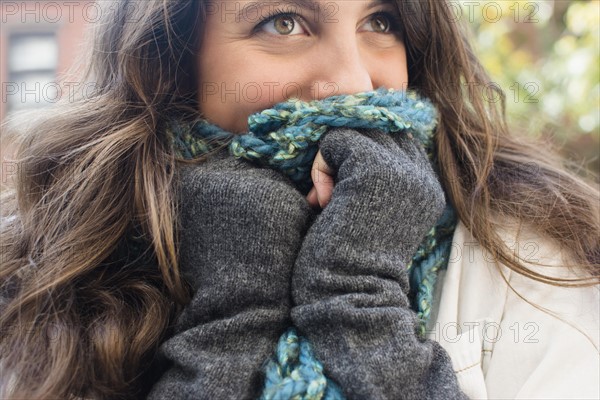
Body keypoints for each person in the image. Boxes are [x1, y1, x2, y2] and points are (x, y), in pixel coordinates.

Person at [0, 1, 597, 399]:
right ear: (171, 61)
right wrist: (240, 313)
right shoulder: (44, 272)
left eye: (381, 20)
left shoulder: (534, 266)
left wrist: (357, 300)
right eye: (283, 21)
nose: (354, 83)